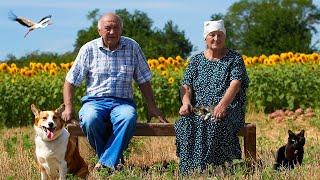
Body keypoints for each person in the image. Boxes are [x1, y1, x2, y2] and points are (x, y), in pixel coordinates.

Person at [61, 12, 168, 171]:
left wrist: (151, 106)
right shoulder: (89, 49)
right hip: (94, 102)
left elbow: (144, 80)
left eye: (115, 28)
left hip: (122, 102)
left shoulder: (132, 47)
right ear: (99, 31)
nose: (111, 32)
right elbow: (70, 81)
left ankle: (104, 163)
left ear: (121, 30)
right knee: (90, 118)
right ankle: (112, 160)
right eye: (107, 28)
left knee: (128, 117)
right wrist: (69, 107)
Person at [175, 19, 249, 175]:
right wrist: (186, 103)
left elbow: (235, 85)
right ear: (205, 38)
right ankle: (191, 170)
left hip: (229, 107)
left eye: (220, 35)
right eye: (212, 35)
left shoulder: (234, 58)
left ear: (225, 37)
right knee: (186, 122)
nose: (216, 39)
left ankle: (220, 168)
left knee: (215, 121)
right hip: (200, 108)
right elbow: (186, 86)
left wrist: (222, 106)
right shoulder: (196, 60)